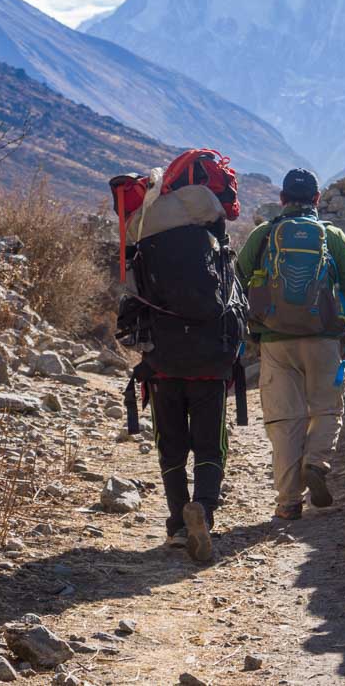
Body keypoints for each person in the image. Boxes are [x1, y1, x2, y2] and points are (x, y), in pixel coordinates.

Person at [112, 151, 248, 562]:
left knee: (170, 447)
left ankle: (176, 523)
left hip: (163, 364)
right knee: (211, 446)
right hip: (211, 363)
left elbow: (128, 315)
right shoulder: (217, 246)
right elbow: (239, 305)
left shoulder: (146, 244)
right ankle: (203, 511)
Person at [237, 168, 345, 520]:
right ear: (317, 201)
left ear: (281, 200)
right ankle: (317, 463)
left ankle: (288, 501)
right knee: (326, 408)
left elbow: (236, 279)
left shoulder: (264, 235)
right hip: (323, 338)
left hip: (276, 341)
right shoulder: (332, 236)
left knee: (284, 420)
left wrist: (250, 325)